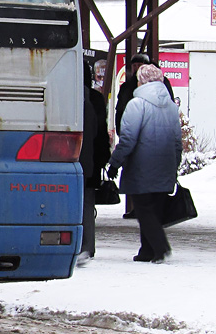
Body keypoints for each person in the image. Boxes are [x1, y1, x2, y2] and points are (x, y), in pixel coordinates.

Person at [106, 63, 183, 263]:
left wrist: (115, 163)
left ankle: (160, 247)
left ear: (141, 81)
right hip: (165, 166)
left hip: (142, 167)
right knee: (154, 209)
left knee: (143, 209)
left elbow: (128, 139)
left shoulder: (136, 104)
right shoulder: (172, 107)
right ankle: (147, 251)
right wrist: (175, 165)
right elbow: (177, 141)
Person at [77, 62, 110, 266]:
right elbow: (101, 133)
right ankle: (88, 246)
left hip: (76, 158)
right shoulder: (96, 99)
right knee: (88, 204)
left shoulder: (70, 97)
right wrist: (103, 159)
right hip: (91, 160)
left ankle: (80, 245)